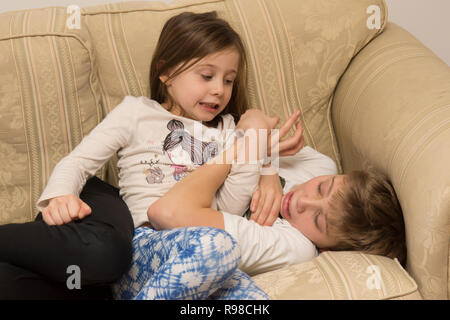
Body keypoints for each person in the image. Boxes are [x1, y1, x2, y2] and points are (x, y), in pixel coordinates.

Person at [0, 11, 299, 299]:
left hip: (201, 252)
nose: (219, 90)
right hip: (146, 246)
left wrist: (256, 133)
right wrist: (61, 195)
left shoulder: (229, 129)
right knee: (222, 246)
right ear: (166, 73)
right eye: (207, 75)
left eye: (228, 80)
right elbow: (78, 162)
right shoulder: (136, 113)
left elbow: (230, 209)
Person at [113, 109, 406, 300]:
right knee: (219, 250)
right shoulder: (320, 165)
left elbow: (167, 213)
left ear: (328, 249)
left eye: (318, 221)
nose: (301, 201)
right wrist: (267, 167)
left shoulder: (295, 246)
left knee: (253, 301)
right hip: (136, 245)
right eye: (321, 188)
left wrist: (251, 145)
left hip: (160, 253)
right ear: (336, 176)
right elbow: (253, 118)